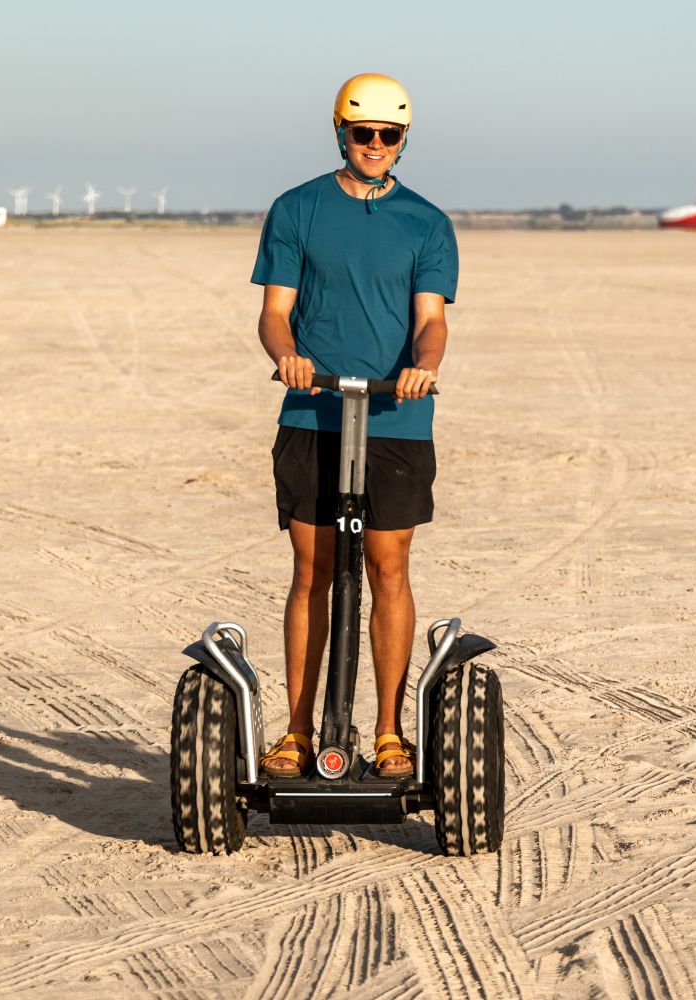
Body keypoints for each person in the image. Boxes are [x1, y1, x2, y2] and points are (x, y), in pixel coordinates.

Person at [251, 73, 458, 778]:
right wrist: (287, 356)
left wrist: (422, 367)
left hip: (397, 417)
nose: (374, 145)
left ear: (403, 140)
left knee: (386, 568)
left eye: (388, 135)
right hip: (312, 409)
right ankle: (299, 733)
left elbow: (432, 321)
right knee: (312, 571)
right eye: (362, 133)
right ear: (341, 132)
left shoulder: (426, 222)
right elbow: (276, 310)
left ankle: (391, 734)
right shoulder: (296, 209)